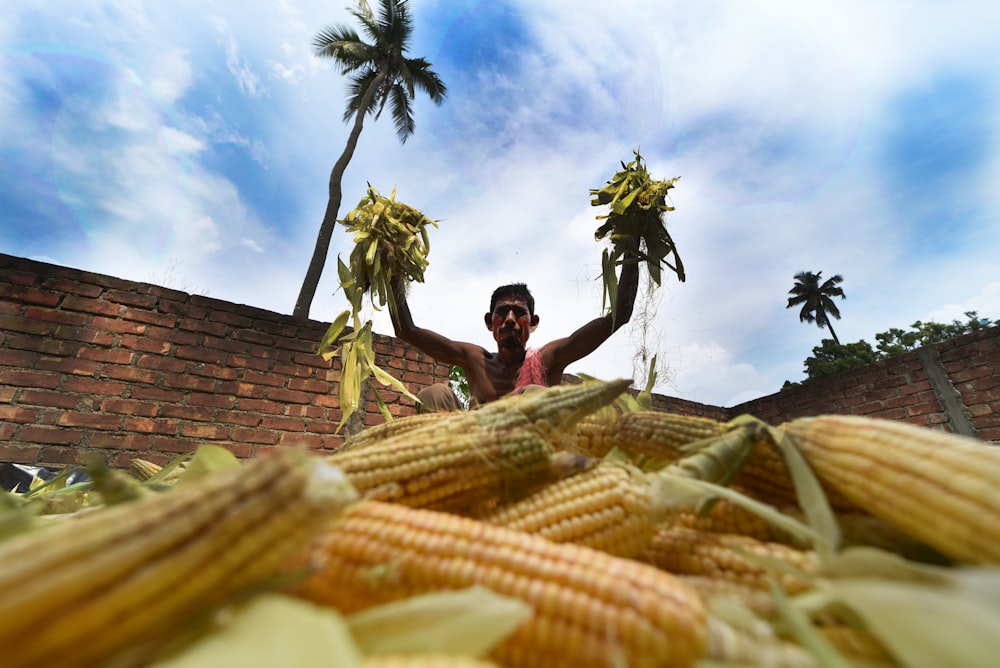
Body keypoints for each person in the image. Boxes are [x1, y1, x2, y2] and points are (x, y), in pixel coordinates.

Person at [389, 248, 640, 410]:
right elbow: (407, 330)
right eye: (502, 312)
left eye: (519, 313)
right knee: (435, 394)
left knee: (532, 393)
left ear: (533, 323)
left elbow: (619, 317)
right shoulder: (475, 359)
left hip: (528, 460)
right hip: (470, 456)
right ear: (490, 322)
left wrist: (633, 243)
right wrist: (390, 269)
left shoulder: (547, 360)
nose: (510, 319)